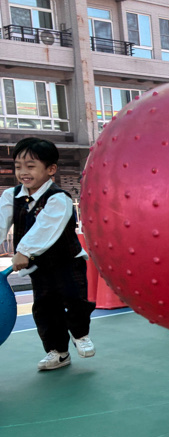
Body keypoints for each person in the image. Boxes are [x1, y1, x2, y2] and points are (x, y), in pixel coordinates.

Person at [0, 138, 95, 370]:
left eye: (31, 166)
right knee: (45, 309)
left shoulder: (59, 198)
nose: (23, 172)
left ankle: (80, 334)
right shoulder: (11, 196)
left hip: (67, 262)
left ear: (51, 169)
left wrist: (24, 251)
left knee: (75, 300)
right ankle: (59, 352)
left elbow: (45, 227)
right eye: (18, 166)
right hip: (40, 267)